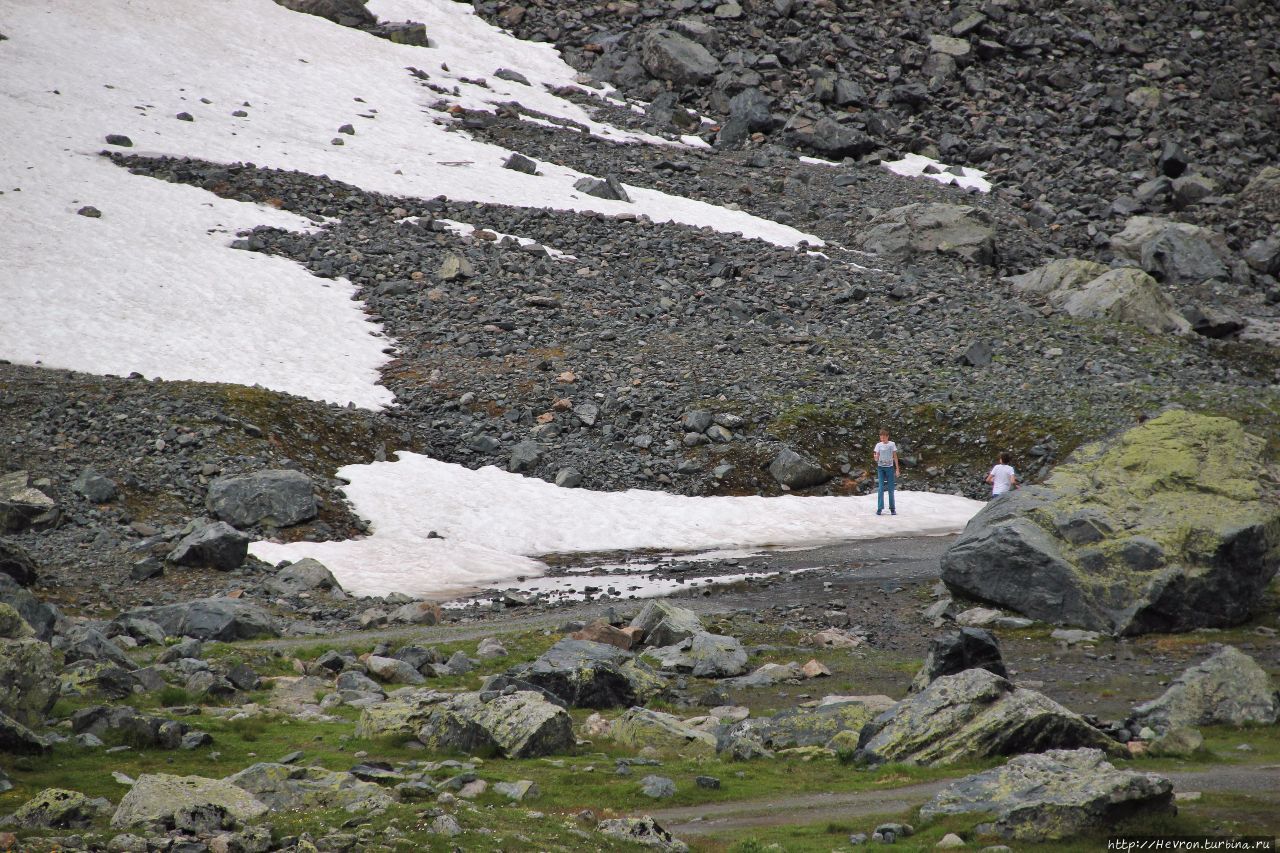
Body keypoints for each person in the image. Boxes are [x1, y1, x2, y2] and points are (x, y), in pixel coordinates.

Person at [872, 428, 899, 515]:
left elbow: (895, 456)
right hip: (881, 468)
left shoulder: (892, 444)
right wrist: (876, 458)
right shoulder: (878, 445)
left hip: (890, 468)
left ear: (887, 437)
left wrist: (897, 469)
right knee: (881, 488)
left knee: (891, 489)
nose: (882, 439)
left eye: (884, 437)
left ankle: (892, 508)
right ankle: (880, 508)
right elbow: (876, 457)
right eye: (881, 437)